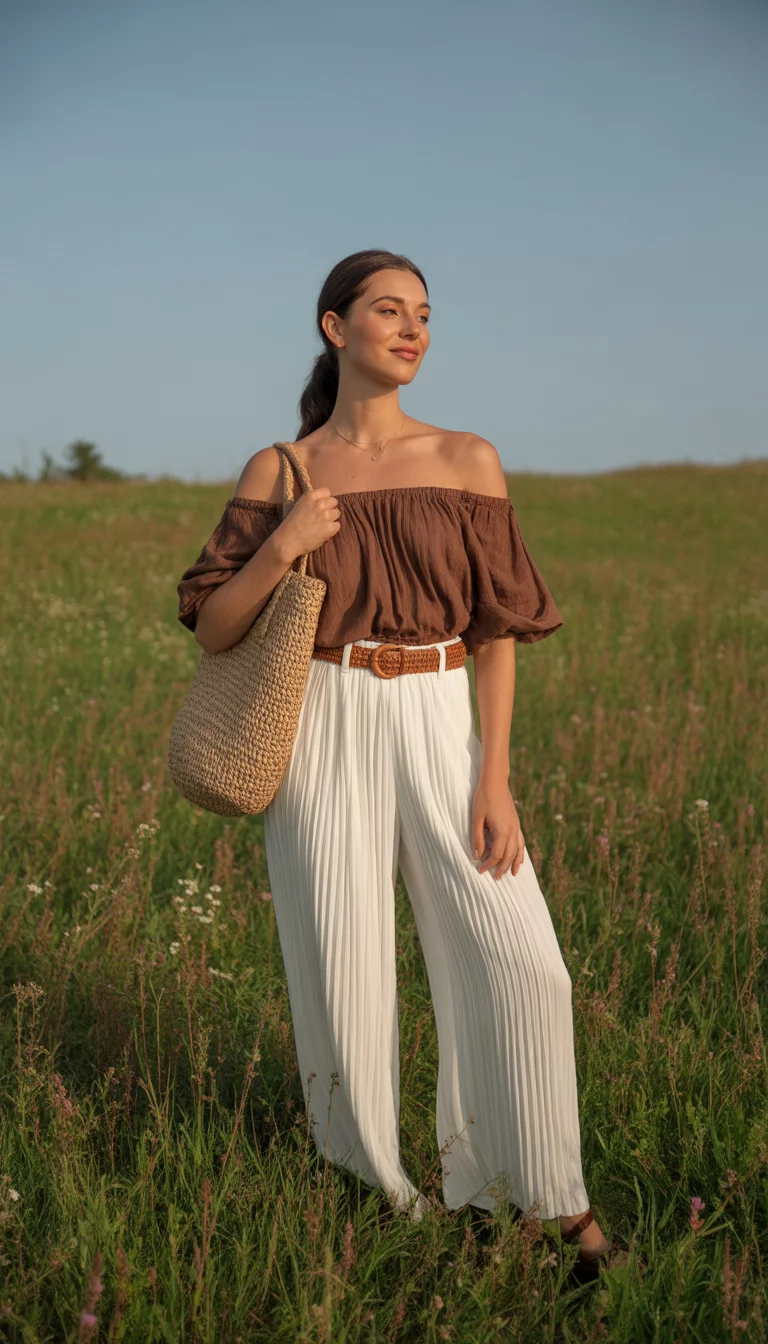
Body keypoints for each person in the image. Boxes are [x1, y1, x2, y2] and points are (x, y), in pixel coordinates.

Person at [176, 249, 627, 1279]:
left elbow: (498, 626)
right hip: (322, 721)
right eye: (390, 311)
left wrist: (495, 773)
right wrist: (284, 540)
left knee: (526, 968)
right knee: (342, 973)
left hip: (437, 715)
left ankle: (549, 1205)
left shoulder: (468, 459)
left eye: (425, 314)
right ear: (335, 328)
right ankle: (385, 1199)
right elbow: (214, 627)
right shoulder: (278, 471)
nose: (414, 329)